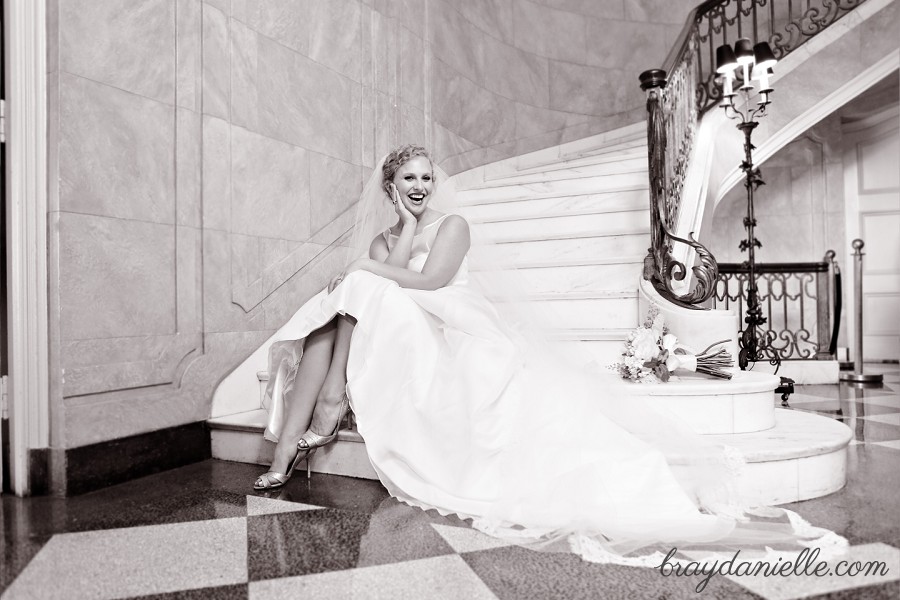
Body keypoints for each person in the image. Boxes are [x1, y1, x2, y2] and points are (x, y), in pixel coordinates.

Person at [252, 144, 842, 564]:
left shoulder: (454, 223)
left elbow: (429, 284)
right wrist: (397, 232)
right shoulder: (393, 233)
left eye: (426, 178)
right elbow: (396, 263)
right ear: (391, 187)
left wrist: (362, 265)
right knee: (351, 298)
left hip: (450, 319)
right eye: (408, 179)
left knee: (358, 286)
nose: (421, 187)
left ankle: (321, 415)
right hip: (406, 315)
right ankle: (315, 419)